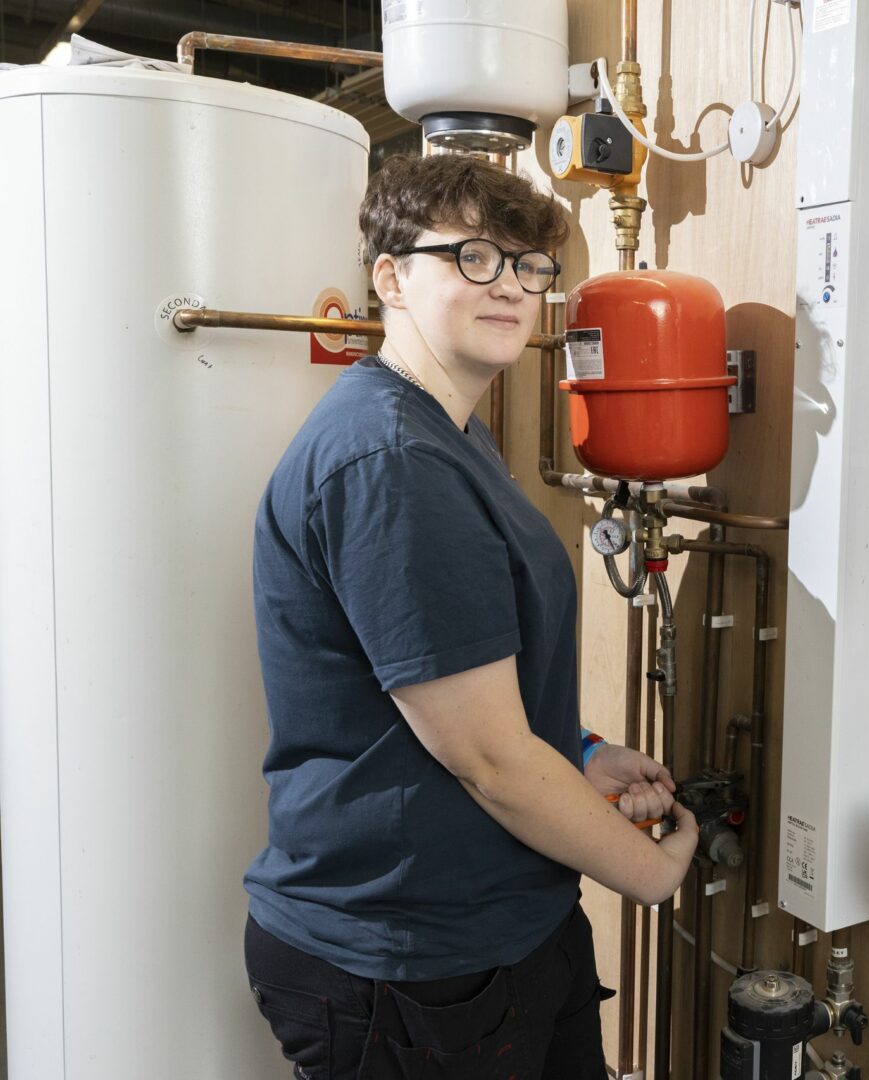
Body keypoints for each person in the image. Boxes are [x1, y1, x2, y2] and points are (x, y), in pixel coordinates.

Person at [243, 153, 696, 1079]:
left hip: (498, 926)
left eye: (531, 266)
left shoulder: (448, 434)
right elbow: (486, 758)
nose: (514, 287)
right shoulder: (390, 461)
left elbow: (464, 681)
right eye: (475, 258)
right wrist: (644, 871)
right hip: (410, 961)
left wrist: (578, 752)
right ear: (391, 276)